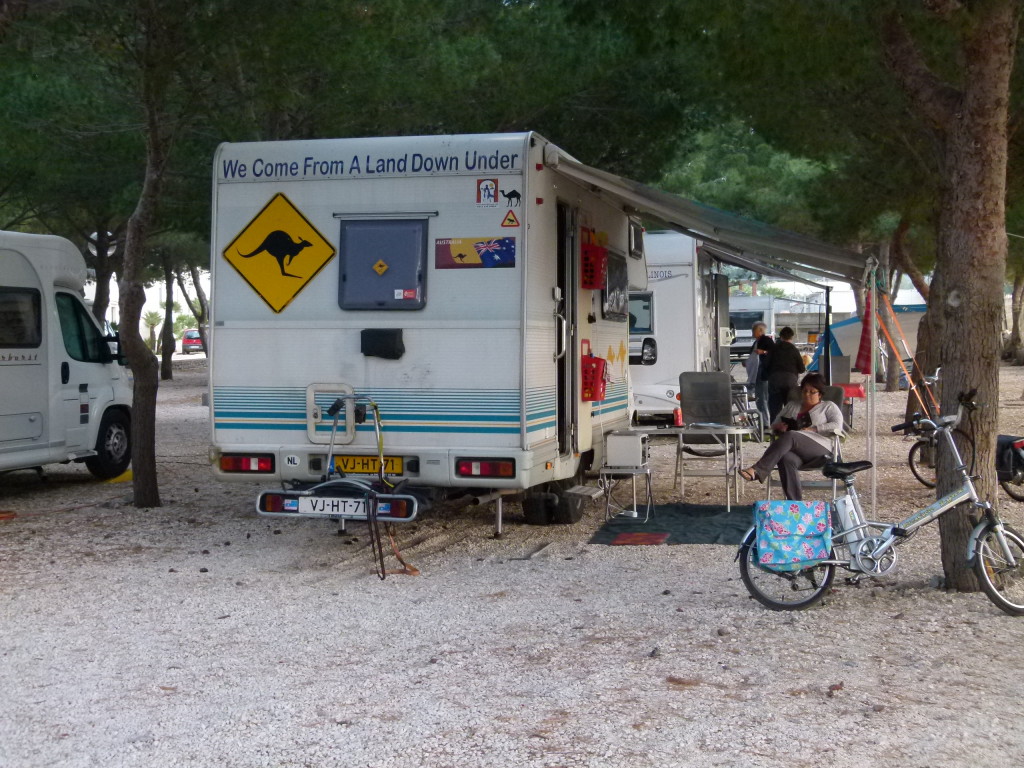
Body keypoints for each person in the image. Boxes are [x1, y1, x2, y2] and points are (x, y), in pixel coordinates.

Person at [738, 373, 843, 500]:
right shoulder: (792, 405)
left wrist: (813, 429)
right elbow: (774, 424)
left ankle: (758, 470)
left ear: (820, 394)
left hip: (822, 450)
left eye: (812, 392)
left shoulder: (828, 406)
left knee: (792, 435)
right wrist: (778, 427)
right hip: (796, 450)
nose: (807, 394)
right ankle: (796, 505)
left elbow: (837, 425)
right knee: (785, 457)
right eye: (804, 391)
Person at [764, 326, 805, 423]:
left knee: (774, 408)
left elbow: (765, 364)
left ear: (780, 336)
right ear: (792, 337)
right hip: (790, 380)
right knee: (790, 408)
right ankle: (789, 430)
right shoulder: (794, 350)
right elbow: (802, 369)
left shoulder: (773, 349)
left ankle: (775, 431)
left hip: (775, 379)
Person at [744, 321, 774, 428]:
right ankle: (763, 422)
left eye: (754, 330)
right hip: (758, 374)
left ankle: (765, 424)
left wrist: (764, 352)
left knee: (762, 399)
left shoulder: (766, 340)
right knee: (760, 398)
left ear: (760, 331)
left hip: (763, 375)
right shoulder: (757, 341)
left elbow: (773, 353)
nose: (752, 332)